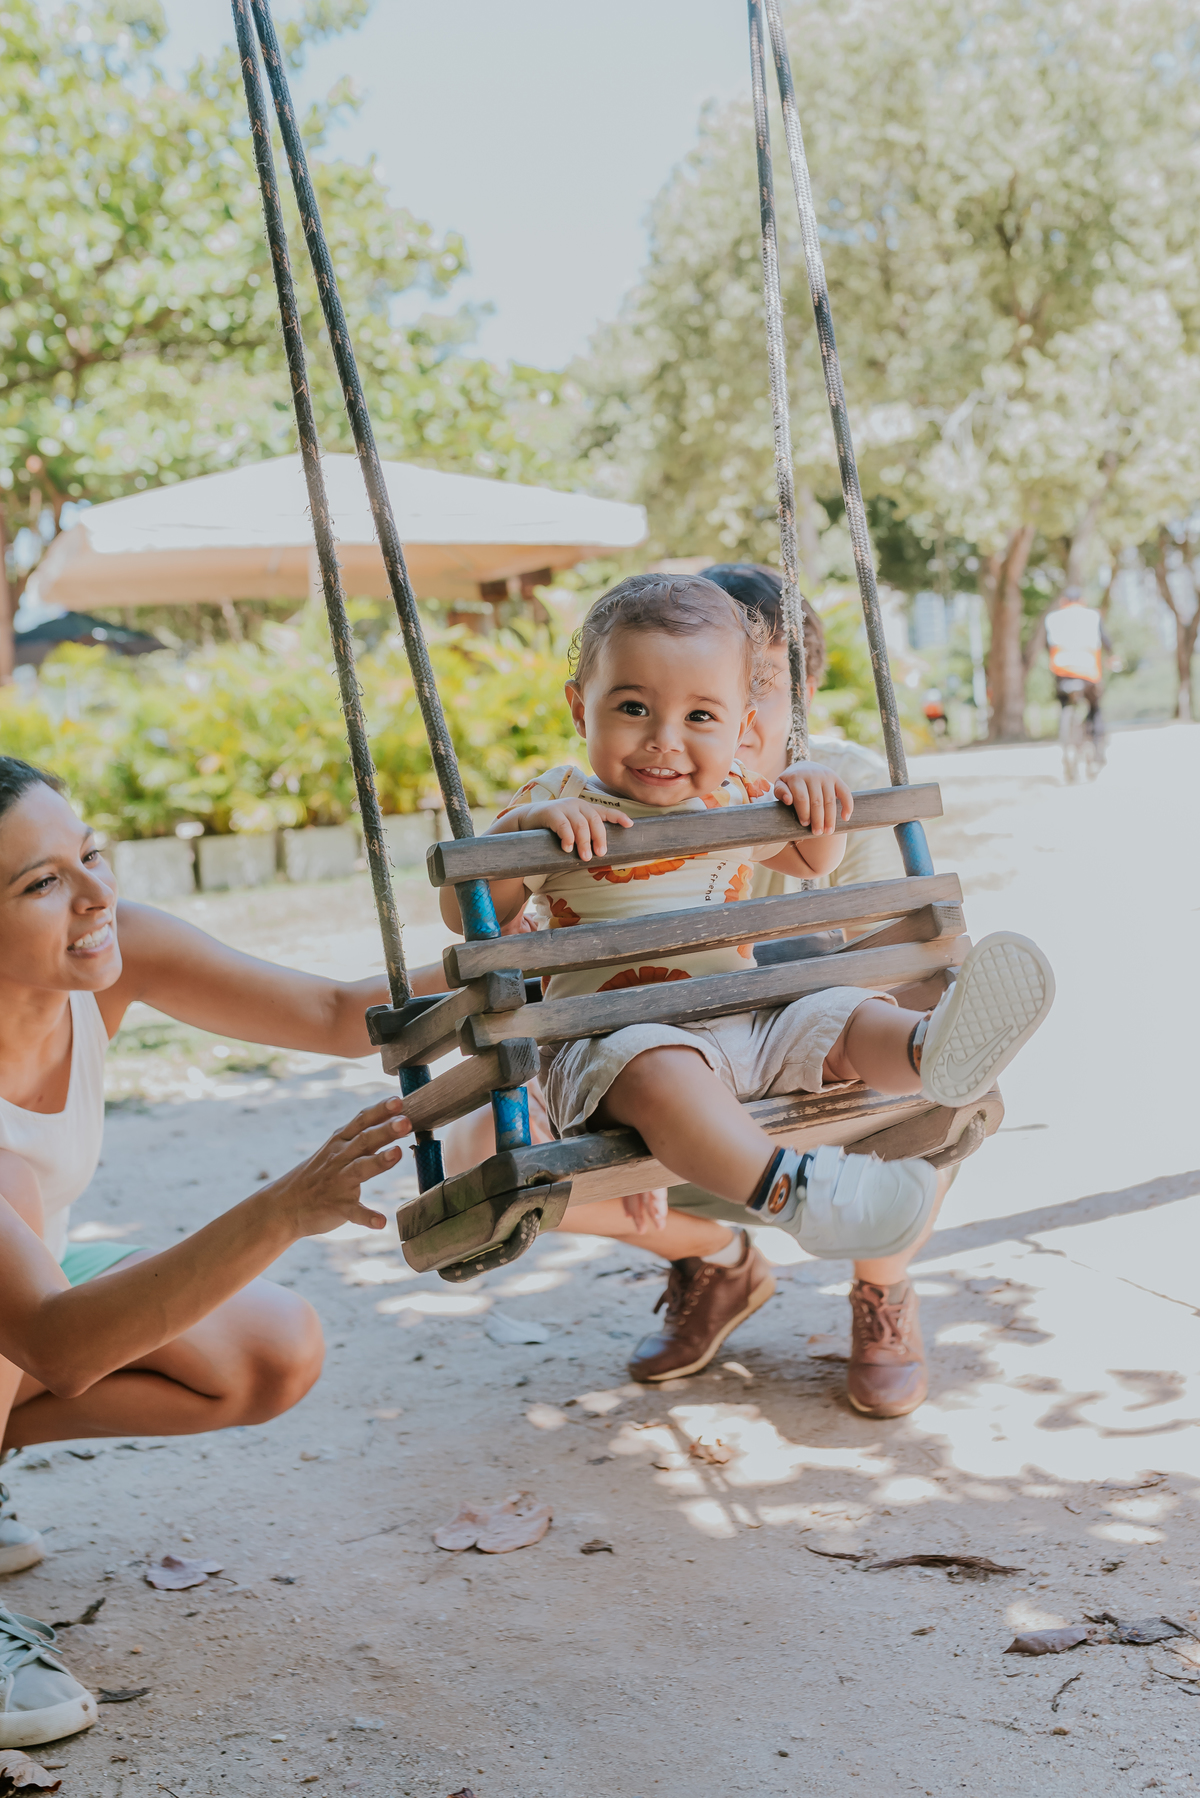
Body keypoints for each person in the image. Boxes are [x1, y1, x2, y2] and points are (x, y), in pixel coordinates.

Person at [436, 573, 1053, 1375]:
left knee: (837, 1013)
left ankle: (929, 1046)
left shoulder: (733, 793)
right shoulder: (560, 797)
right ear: (576, 707)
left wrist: (810, 799)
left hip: (745, 1029)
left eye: (699, 718)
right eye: (632, 709)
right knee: (661, 1070)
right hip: (619, 1047)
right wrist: (530, 829)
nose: (663, 739)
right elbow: (467, 913)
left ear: (742, 725)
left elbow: (806, 856)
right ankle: (797, 1191)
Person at [0, 755, 410, 1745]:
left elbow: (334, 1012)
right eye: (42, 882)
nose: (98, 894)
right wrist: (287, 1206)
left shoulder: (108, 949)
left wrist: (525, 948)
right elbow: (57, 1345)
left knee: (272, 1349)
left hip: (21, 1304)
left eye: (89, 854)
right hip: (30, 1323)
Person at [1045, 586, 1115, 746]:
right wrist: (1111, 656)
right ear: (1082, 601)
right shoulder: (1092, 615)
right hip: (1088, 671)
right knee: (1094, 706)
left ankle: (1065, 728)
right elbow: (1105, 640)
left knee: (1063, 701)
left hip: (1061, 671)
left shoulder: (1052, 618)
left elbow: (1046, 645)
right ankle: (1097, 747)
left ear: (1063, 601)